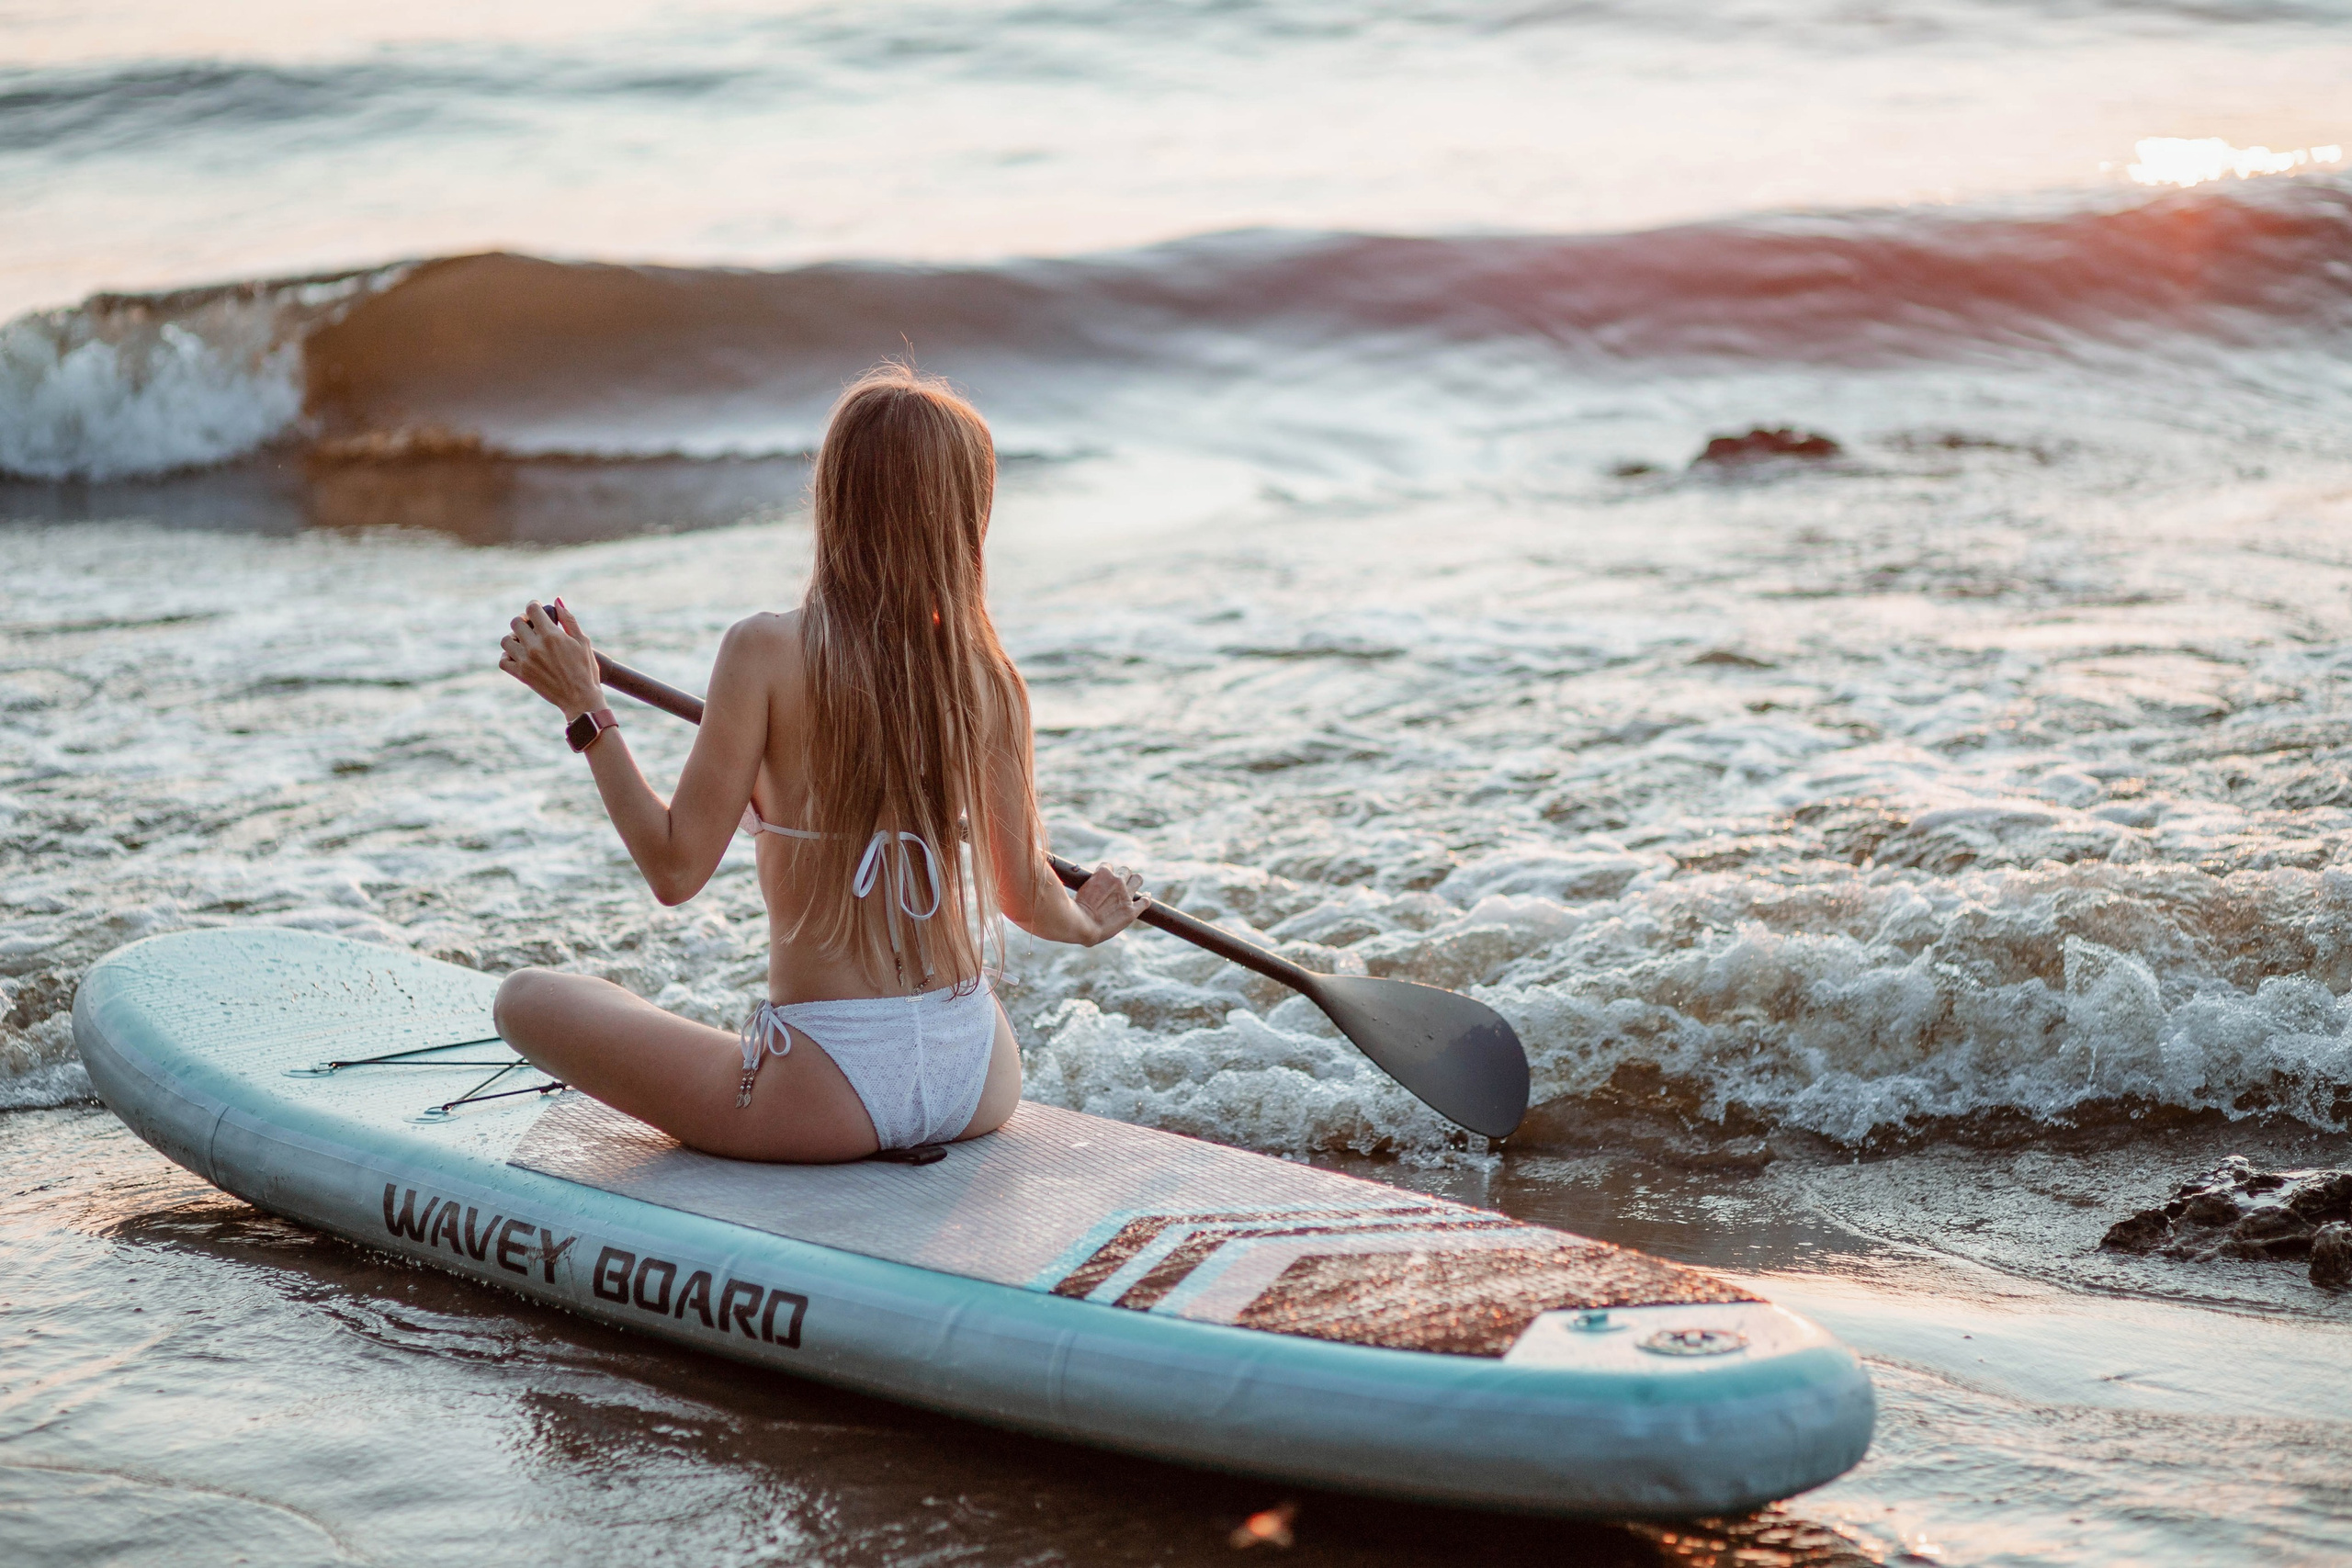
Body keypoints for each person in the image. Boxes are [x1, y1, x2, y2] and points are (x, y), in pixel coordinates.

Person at [492, 366, 1148, 1162]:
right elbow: (1029, 898)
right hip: (977, 1071)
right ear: (964, 516)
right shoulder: (985, 675)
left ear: (835, 498)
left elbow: (673, 869)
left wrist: (585, 709)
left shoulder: (763, 651)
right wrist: (1089, 922)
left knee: (525, 999)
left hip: (825, 1094)